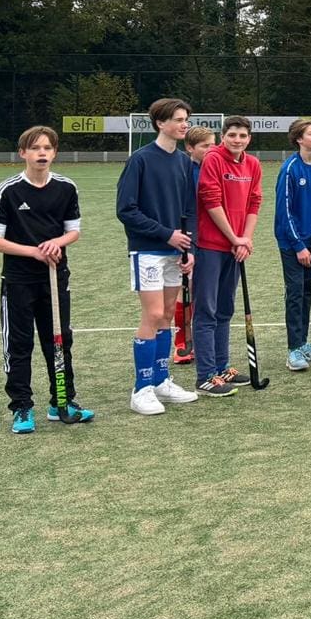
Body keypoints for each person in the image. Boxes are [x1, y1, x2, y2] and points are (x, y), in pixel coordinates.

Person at [0, 125, 88, 432]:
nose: (42, 153)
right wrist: (33, 252)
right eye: (35, 148)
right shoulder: (7, 191)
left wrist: (58, 243)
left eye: (47, 148)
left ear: (55, 153)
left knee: (59, 340)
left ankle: (62, 402)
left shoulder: (66, 187)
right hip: (18, 279)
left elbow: (73, 231)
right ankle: (21, 407)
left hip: (55, 277)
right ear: (23, 153)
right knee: (19, 344)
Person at [116, 97, 199, 415]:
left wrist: (187, 248)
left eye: (186, 119)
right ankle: (142, 388)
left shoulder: (183, 162)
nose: (184, 125)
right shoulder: (140, 159)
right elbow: (126, 210)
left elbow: (188, 210)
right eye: (178, 119)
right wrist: (166, 234)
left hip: (174, 252)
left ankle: (163, 380)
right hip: (147, 250)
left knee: (167, 314)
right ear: (160, 123)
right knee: (152, 315)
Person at [193, 115, 262, 396]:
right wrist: (233, 238)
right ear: (224, 136)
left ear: (249, 139)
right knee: (206, 310)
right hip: (211, 245)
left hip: (236, 248)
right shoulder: (213, 158)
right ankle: (205, 375)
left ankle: (222, 368)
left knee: (225, 309)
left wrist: (245, 238)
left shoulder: (253, 164)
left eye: (243, 136)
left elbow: (254, 201)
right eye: (232, 135)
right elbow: (211, 199)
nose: (237, 140)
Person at [275, 117, 311, 372]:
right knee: (295, 292)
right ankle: (293, 350)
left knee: (307, 291)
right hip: (291, 241)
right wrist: (298, 245)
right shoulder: (290, 168)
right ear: (299, 139)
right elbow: (284, 212)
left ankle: (303, 342)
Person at [173, 125, 215, 365]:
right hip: (189, 236)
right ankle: (182, 342)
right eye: (204, 146)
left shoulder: (214, 167)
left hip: (210, 237)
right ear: (190, 148)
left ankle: (199, 342)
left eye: (212, 145)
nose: (210, 150)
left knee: (203, 292)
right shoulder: (184, 170)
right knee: (184, 289)